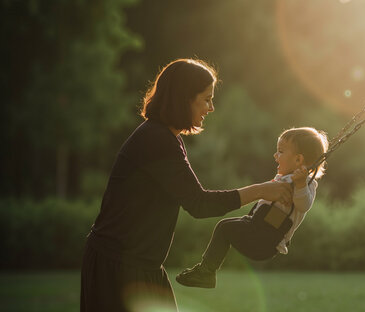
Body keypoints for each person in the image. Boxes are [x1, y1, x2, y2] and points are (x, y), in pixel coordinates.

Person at [80, 59, 292, 312]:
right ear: (183, 99)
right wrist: (260, 190)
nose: (211, 107)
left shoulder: (166, 137)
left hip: (140, 265)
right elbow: (199, 204)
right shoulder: (156, 140)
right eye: (206, 99)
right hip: (118, 267)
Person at [175, 127, 328, 289]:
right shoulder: (284, 178)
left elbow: (303, 205)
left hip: (266, 239)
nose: (275, 156)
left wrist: (301, 184)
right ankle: (205, 270)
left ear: (298, 160)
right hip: (257, 226)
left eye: (281, 152)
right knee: (225, 227)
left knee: (224, 228)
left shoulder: (307, 184)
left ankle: (206, 272)